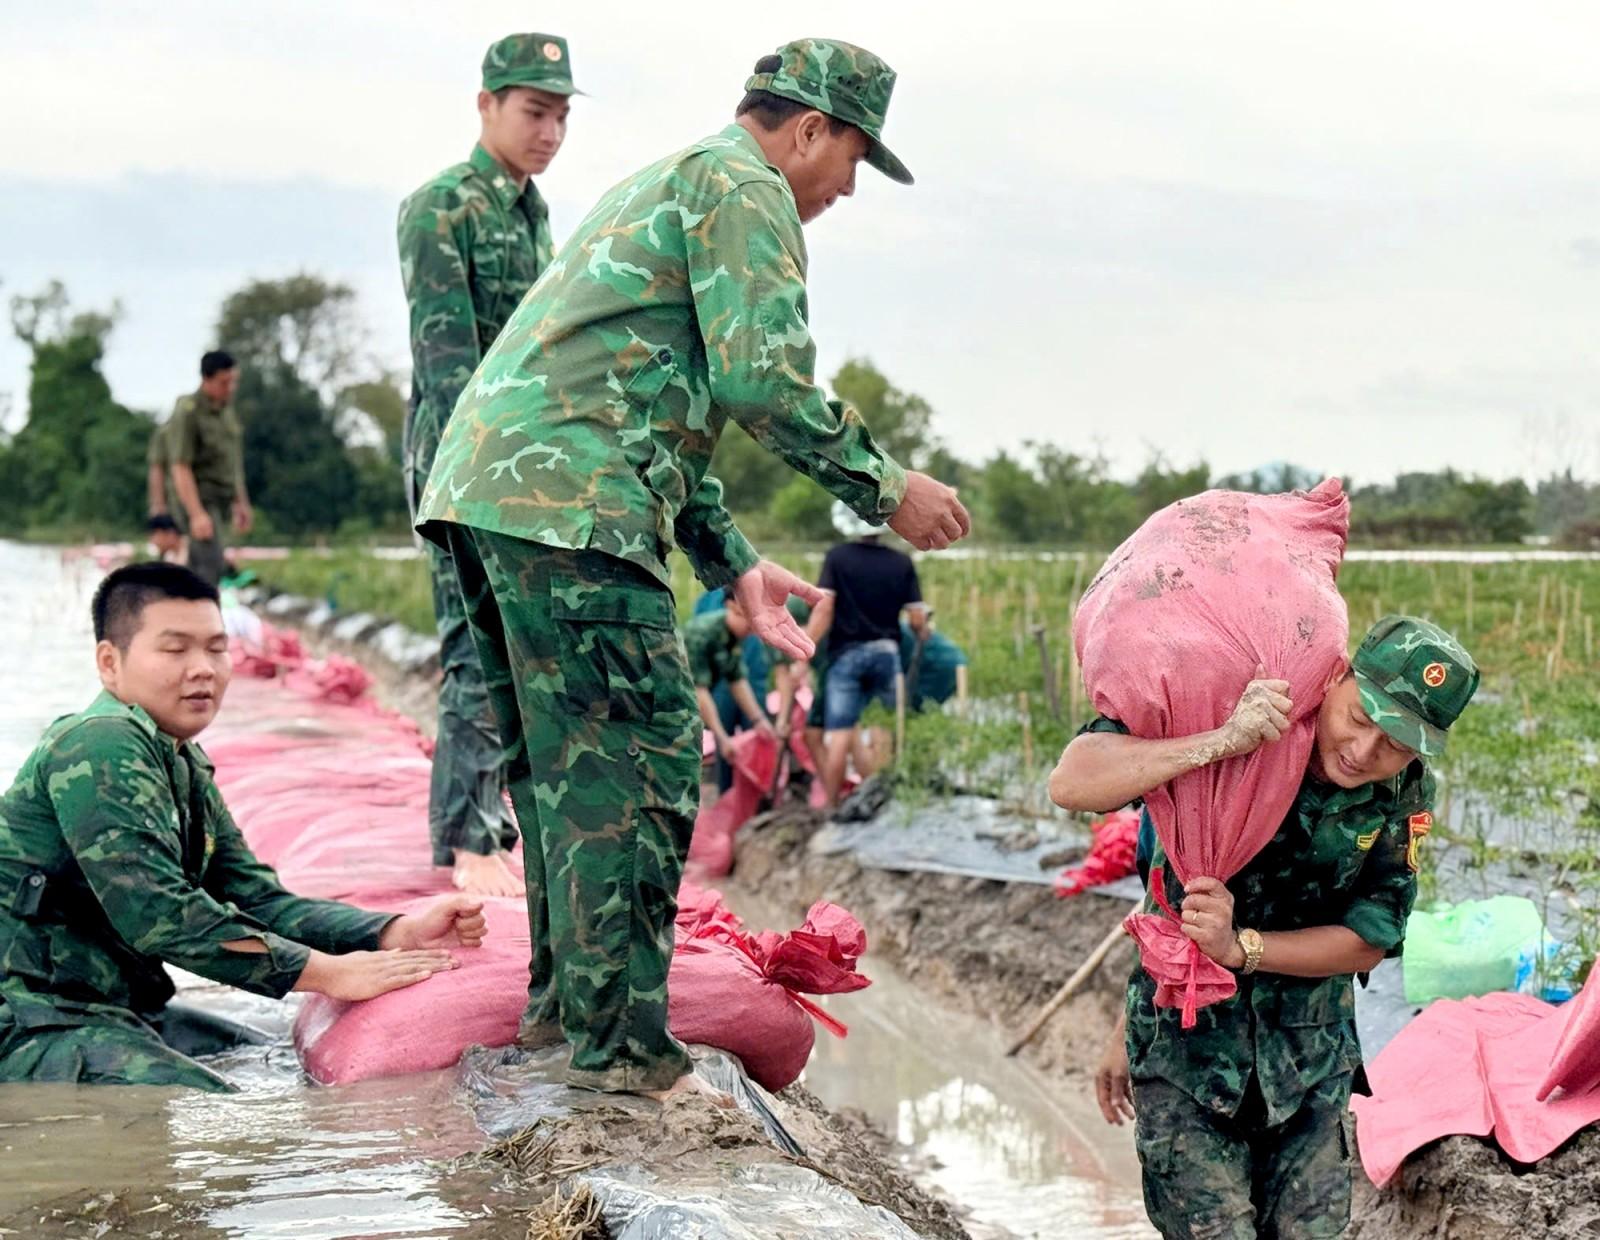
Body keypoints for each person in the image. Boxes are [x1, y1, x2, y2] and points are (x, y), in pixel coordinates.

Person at [415, 38, 970, 1098]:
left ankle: (564, 1019)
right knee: (647, 760)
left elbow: (669, 401)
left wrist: (734, 561)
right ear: (806, 129)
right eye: (850, 159)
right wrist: (883, 482)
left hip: (498, 494)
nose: (845, 189)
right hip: (569, 504)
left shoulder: (673, 182)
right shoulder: (744, 188)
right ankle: (618, 1050)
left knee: (564, 769)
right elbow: (761, 380)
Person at [1052, 616, 1480, 1239]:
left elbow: (1373, 936)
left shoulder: (1402, 790)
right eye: (1360, 718)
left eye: (1395, 741)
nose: (1364, 752)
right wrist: (1222, 740)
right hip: (1186, 1056)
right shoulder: (1235, 710)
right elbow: (1074, 781)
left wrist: (1240, 948)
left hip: (1309, 1067)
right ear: (1335, 676)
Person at [0, 563, 488, 1091]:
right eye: (175, 649)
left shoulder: (181, 762)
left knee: (264, 1056)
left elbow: (256, 899)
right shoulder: (100, 743)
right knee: (221, 1104)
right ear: (109, 662)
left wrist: (390, 932)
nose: (203, 668)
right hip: (26, 1021)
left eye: (215, 648)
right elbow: (161, 915)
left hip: (103, 1009)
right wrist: (330, 973)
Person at [398, 32, 580, 897]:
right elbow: (446, 369)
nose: (549, 131)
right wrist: (468, 485)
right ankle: (465, 841)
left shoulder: (532, 210)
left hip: (521, 464)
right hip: (458, 461)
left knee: (515, 647)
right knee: (475, 647)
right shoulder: (441, 208)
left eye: (560, 115)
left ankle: (495, 825)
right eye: (534, 111)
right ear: (487, 105)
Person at [807, 500, 923, 807]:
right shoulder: (902, 562)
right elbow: (916, 619)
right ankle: (880, 803)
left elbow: (826, 606)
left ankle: (832, 807)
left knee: (840, 734)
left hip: (846, 654)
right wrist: (922, 631)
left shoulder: (837, 558)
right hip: (887, 653)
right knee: (882, 729)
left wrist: (806, 645)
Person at [167, 350, 251, 588]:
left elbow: (233, 463)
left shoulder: (226, 412)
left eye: (233, 381)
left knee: (207, 563)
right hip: (199, 499)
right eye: (225, 382)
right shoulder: (188, 411)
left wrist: (240, 501)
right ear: (207, 379)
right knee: (209, 564)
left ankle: (197, 617)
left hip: (222, 498)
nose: (230, 388)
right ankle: (204, 621)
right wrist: (196, 514)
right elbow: (180, 466)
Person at [684, 599, 777, 791]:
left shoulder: (733, 637)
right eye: (748, 622)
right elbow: (698, 691)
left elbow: (737, 679)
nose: (751, 630)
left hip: (695, 699)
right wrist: (722, 737)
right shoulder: (702, 633)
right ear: (732, 607)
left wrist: (759, 720)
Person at [900, 601, 967, 710]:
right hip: (953, 666)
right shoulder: (908, 632)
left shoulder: (908, 634)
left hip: (943, 669)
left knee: (917, 705)